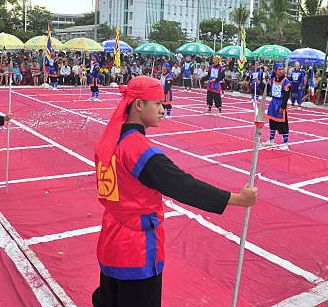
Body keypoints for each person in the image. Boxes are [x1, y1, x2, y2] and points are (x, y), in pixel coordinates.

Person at [91, 76, 258, 307]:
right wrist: (237, 199)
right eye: (158, 103)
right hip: (136, 249)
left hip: (111, 242)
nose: (163, 108)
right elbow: (182, 185)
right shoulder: (138, 149)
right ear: (139, 105)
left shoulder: (111, 140)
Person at [262, 63, 291, 150]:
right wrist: (259, 83)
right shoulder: (272, 80)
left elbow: (286, 96)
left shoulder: (286, 82)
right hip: (273, 103)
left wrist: (283, 107)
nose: (281, 71)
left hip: (280, 103)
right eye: (279, 69)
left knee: (283, 124)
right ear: (275, 70)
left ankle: (285, 143)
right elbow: (266, 88)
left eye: (282, 69)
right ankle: (271, 140)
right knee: (272, 122)